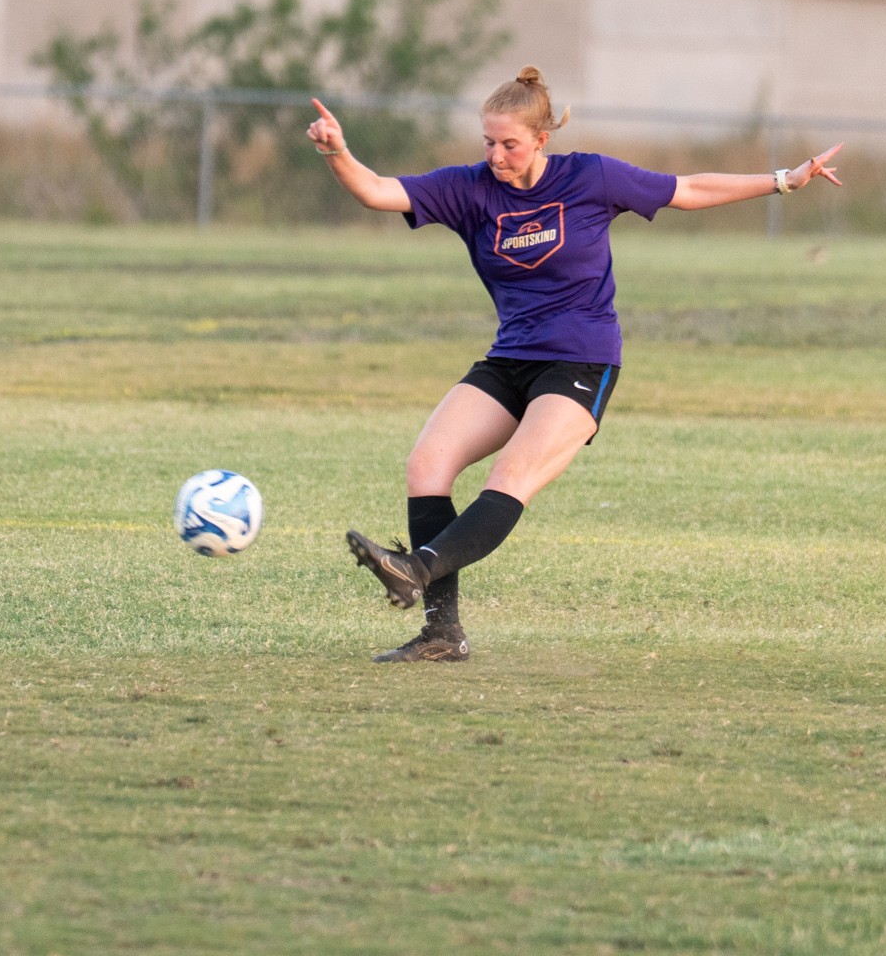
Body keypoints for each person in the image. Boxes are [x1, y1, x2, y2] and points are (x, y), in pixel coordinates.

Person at [306, 66, 842, 662]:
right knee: (427, 465)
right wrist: (337, 152)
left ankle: (416, 569)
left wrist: (784, 180)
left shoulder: (590, 177)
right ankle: (442, 635)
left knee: (510, 475)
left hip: (581, 361)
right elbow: (377, 191)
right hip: (511, 357)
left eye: (510, 144)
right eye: (488, 142)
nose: (496, 156)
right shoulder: (469, 188)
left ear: (542, 139)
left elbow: (688, 189)